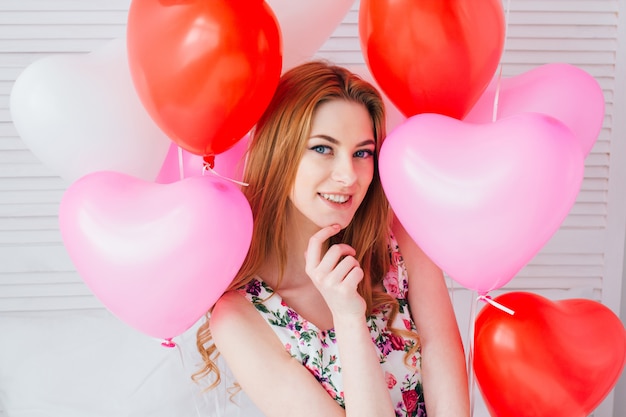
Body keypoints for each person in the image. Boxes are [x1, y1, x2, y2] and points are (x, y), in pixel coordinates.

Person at [194, 60, 470, 417]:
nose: (348, 176)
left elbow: (444, 376)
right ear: (280, 153)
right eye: (323, 148)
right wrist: (348, 318)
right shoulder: (240, 316)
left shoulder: (401, 241)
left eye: (362, 153)